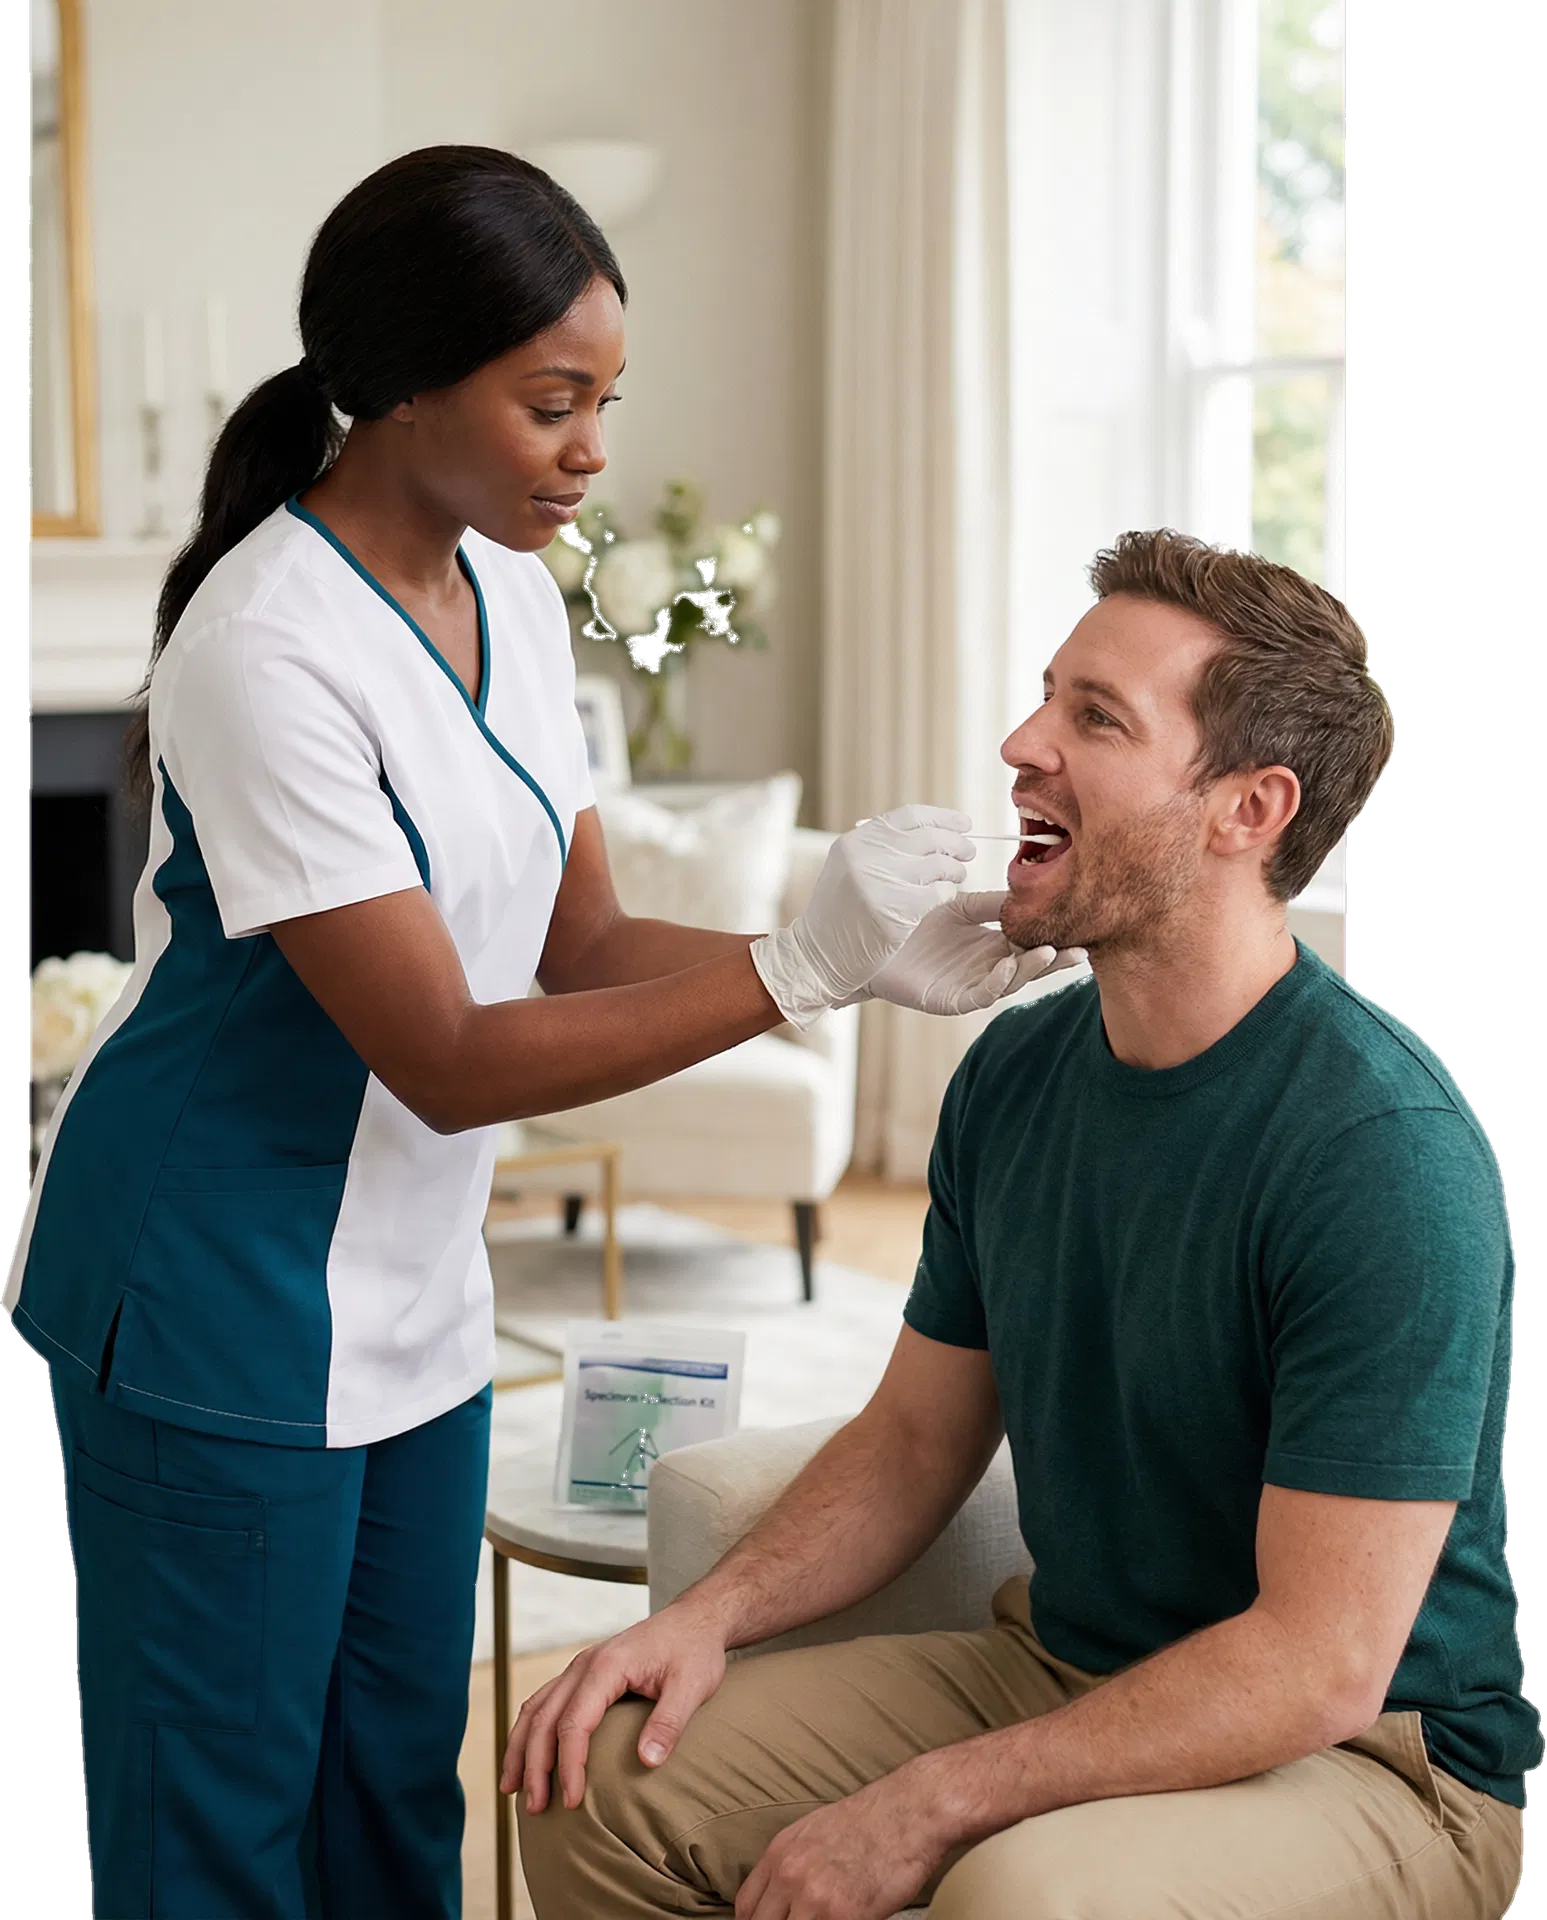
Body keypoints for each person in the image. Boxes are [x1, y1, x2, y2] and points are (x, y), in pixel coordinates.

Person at [4, 145, 1078, 1919]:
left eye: (605, 402)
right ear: (405, 384)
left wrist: (856, 959)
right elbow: (444, 1049)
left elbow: (574, 943)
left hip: (414, 1288)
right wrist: (795, 974)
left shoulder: (514, 588)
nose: (593, 451)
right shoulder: (266, 645)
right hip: (212, 1282)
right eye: (550, 403)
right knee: (220, 1829)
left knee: (391, 1798)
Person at [509, 530, 1540, 1920]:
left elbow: (1315, 1662)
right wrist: (699, 1618)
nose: (1017, 742)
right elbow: (914, 1439)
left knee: (1026, 1892)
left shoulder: (1377, 1153)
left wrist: (930, 1799)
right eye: (1045, 695)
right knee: (609, 1773)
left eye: (1091, 718)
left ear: (1246, 809)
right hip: (1065, 1667)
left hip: (1368, 1761)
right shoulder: (1015, 1071)